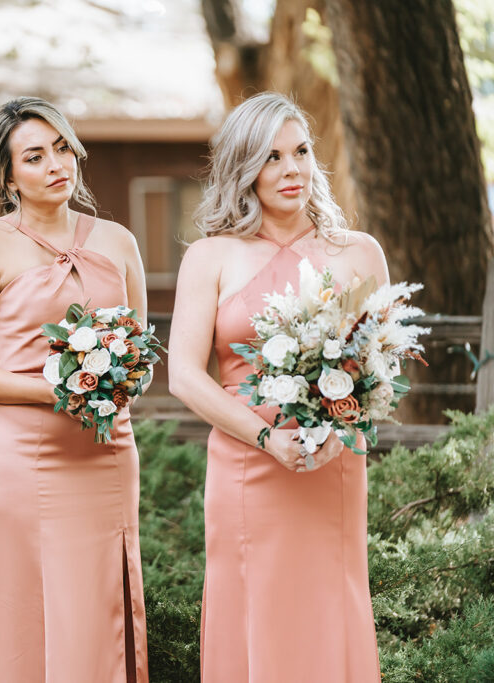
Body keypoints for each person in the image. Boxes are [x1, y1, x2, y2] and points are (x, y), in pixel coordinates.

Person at [168, 92, 385, 682]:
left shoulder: (359, 253)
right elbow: (184, 374)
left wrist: (341, 431)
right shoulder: (210, 256)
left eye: (301, 152)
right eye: (272, 157)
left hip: (332, 465)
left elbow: (375, 367)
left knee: (329, 609)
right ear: (243, 167)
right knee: (253, 610)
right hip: (246, 464)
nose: (292, 169)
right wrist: (266, 438)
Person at [0, 96, 149, 683]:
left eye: (62, 148)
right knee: (22, 612)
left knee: (96, 612)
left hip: (105, 452)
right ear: (8, 178)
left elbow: (139, 350)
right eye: (34, 156)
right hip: (19, 458)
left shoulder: (119, 241)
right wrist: (55, 391)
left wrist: (120, 384)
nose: (56, 164)